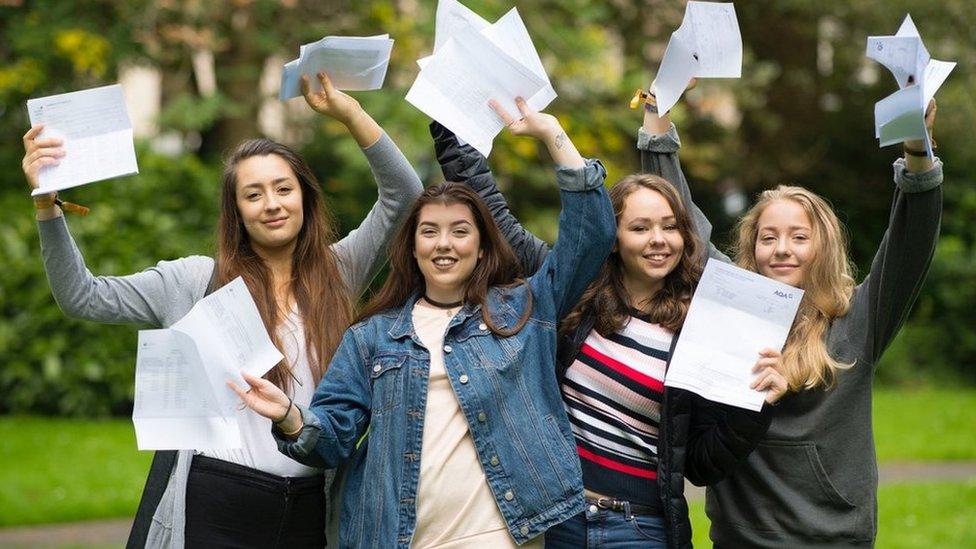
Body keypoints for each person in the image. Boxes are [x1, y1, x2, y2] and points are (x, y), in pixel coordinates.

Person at [21, 72, 423, 548]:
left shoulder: (340, 269)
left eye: (283, 189)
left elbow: (406, 195)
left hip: (312, 504)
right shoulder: (194, 281)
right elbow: (81, 295)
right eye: (253, 195)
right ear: (236, 211)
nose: (271, 205)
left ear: (305, 199)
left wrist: (348, 113)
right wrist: (47, 203)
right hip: (217, 502)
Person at [231, 99, 616, 548]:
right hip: (400, 538)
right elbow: (332, 440)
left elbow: (592, 234)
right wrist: (291, 417)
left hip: (503, 535)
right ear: (412, 247)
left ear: (481, 245)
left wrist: (552, 134)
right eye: (429, 231)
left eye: (460, 231)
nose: (444, 244)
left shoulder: (524, 308)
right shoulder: (372, 336)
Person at [429, 116, 789, 547]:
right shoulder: (570, 287)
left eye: (670, 226)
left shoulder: (703, 323)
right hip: (556, 520)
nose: (659, 239)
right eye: (640, 228)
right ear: (613, 237)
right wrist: (449, 117)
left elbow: (700, 464)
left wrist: (755, 407)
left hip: (639, 528)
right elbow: (494, 214)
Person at [636, 81, 943, 547]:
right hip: (740, 538)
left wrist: (918, 150)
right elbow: (685, 227)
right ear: (752, 247)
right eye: (768, 237)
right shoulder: (730, 303)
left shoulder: (858, 317)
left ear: (822, 245)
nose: (782, 249)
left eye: (799, 237)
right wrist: (657, 121)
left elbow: (910, 243)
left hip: (834, 536)